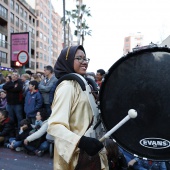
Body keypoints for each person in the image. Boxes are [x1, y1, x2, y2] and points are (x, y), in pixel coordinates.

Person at [47, 45, 108, 170]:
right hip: (77, 157)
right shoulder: (67, 87)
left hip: (90, 154)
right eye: (79, 58)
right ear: (68, 60)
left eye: (85, 59)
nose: (84, 62)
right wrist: (82, 142)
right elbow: (54, 126)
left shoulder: (83, 84)